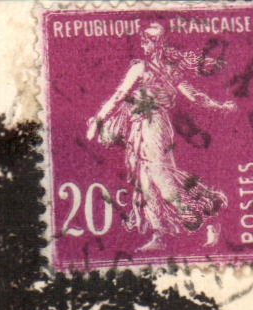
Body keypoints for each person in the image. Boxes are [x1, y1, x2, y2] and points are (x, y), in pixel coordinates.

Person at [87, 21, 236, 252]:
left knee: (161, 178)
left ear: (158, 44)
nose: (144, 44)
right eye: (144, 40)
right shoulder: (146, 68)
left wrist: (220, 106)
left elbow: (194, 96)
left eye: (149, 40)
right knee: (146, 182)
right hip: (139, 128)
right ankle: (161, 235)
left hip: (154, 126)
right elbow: (119, 96)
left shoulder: (159, 69)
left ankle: (208, 219)